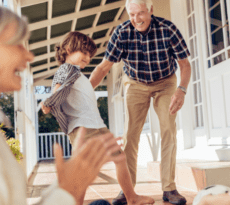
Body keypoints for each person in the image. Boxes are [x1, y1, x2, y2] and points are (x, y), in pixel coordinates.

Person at [0, 1, 123, 205]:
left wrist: (66, 187)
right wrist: (67, 189)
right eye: (15, 44)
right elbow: (58, 92)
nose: (28, 55)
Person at [89, 0, 191, 204]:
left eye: (141, 13)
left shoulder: (168, 29)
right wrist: (84, 92)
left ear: (151, 10)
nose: (136, 19)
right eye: (132, 15)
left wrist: (181, 90)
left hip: (165, 82)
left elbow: (185, 65)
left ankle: (169, 189)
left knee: (168, 130)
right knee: (130, 135)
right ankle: (128, 191)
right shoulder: (122, 32)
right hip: (135, 83)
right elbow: (103, 67)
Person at [40, 31, 154, 205]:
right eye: (84, 53)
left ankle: (131, 197)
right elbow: (58, 89)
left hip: (95, 124)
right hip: (82, 127)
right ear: (69, 49)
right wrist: (48, 103)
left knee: (119, 158)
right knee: (85, 168)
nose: (87, 57)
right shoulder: (66, 69)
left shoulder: (78, 74)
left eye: (89, 55)